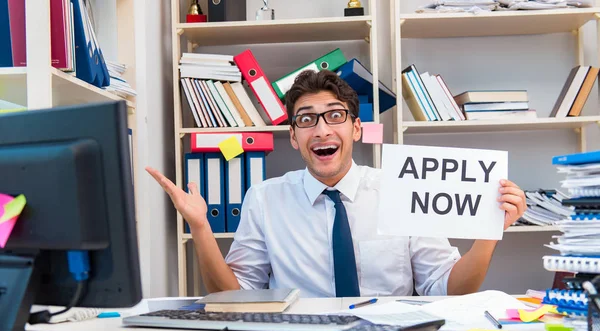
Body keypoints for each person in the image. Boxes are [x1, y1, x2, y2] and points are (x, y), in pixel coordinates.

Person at [147, 70, 527, 298]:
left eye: (334, 116)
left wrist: (487, 231)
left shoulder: (401, 187)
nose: (322, 129)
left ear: (356, 128)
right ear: (293, 137)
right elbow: (232, 295)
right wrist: (200, 227)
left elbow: (447, 289)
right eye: (307, 120)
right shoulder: (264, 198)